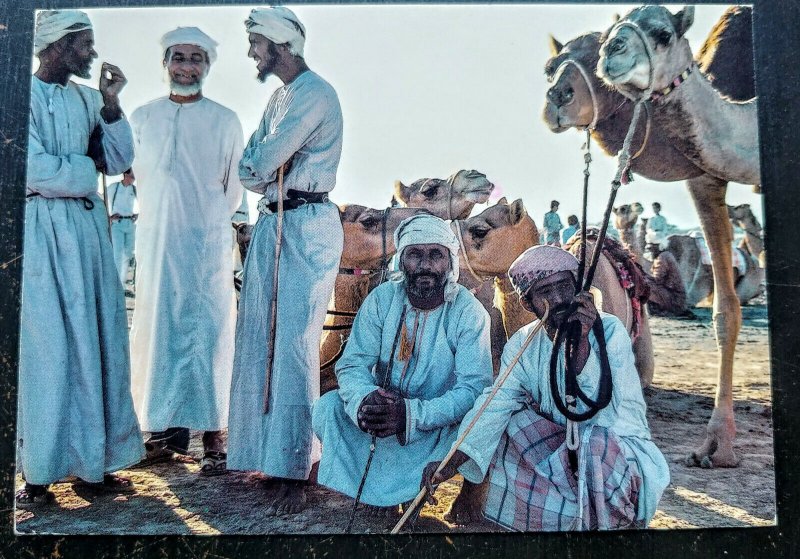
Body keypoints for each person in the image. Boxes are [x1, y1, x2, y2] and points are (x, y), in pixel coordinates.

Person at [421, 245, 669, 530]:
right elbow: (496, 404)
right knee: (510, 424)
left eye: (565, 287)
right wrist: (452, 459)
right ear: (528, 304)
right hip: (566, 453)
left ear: (579, 289)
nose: (559, 299)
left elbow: (601, 414)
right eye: (545, 292)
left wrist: (582, 343)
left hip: (615, 454)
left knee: (594, 444)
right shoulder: (524, 343)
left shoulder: (610, 331)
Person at [17, 9, 144, 507]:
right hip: (40, 233)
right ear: (55, 46)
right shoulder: (16, 96)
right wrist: (83, 166)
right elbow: (30, 168)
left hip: (89, 237)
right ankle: (42, 473)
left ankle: (96, 466)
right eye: (83, 44)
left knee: (97, 342)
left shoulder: (91, 99)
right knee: (48, 350)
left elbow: (118, 160)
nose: (92, 53)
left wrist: (111, 107)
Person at [227, 6, 345, 514]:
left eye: (256, 42)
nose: (251, 51)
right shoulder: (280, 98)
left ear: (280, 45)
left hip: (308, 224)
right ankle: (262, 457)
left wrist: (264, 162)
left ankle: (295, 468)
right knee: (259, 338)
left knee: (296, 343)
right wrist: (263, 163)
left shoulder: (316, 93)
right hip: (273, 221)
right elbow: (251, 169)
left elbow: (261, 160)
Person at [312, 214, 493, 516]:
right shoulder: (382, 300)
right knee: (328, 408)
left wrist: (411, 414)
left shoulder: (468, 312)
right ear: (401, 260)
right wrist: (365, 400)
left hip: (437, 424)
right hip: (382, 422)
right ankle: (373, 492)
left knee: (480, 419)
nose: (425, 265)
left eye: (436, 254)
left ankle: (419, 491)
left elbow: (473, 388)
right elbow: (352, 366)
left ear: (450, 262)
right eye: (415, 255)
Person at [129, 27, 244, 475]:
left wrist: (209, 224)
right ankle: (161, 433)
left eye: (196, 58)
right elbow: (129, 171)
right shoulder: (142, 117)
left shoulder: (225, 119)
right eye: (179, 57)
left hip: (204, 244)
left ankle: (215, 436)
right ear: (165, 63)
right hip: (156, 243)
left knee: (209, 334)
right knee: (158, 332)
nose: (187, 66)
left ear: (207, 66)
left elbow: (233, 188)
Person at [106, 168, 137, 288]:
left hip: (129, 223)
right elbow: (102, 200)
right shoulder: (114, 187)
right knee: (117, 254)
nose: (134, 177)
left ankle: (122, 285)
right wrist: (108, 217)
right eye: (132, 174)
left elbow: (141, 204)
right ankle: (115, 285)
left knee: (128, 254)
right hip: (117, 224)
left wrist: (137, 215)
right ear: (125, 174)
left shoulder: (134, 189)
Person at [645, 236, 690, 317]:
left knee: (645, 284)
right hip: (677, 299)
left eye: (652, 248)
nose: (650, 251)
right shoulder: (665, 255)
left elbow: (658, 279)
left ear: (659, 246)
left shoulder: (663, 257)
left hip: (675, 300)